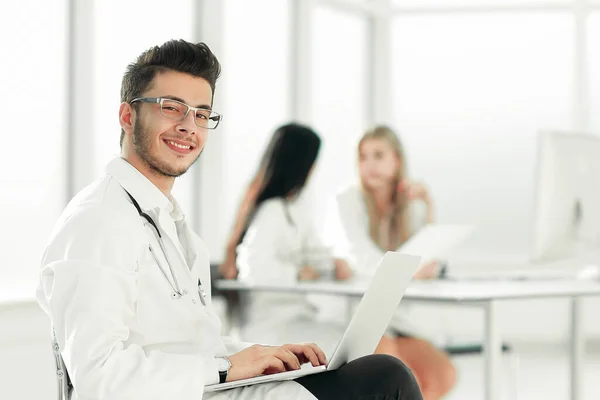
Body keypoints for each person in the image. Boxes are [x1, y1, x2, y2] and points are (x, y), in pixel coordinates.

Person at [36, 40, 423, 400]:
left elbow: (198, 343)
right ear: (127, 116)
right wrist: (225, 367)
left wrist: (263, 355)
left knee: (384, 374)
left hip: (211, 387)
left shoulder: (167, 221)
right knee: (386, 381)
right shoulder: (98, 221)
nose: (189, 126)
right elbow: (97, 373)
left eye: (201, 113)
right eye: (171, 107)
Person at [325, 125, 455, 400]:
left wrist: (428, 204)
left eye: (378, 155)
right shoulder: (347, 200)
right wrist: (412, 271)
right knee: (393, 367)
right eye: (363, 157)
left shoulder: (410, 204)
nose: (369, 164)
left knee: (441, 375)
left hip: (402, 320)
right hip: (360, 316)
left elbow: (432, 257)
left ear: (397, 160)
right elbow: (361, 257)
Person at [234, 123, 352, 356]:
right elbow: (253, 268)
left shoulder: (293, 210)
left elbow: (313, 252)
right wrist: (298, 274)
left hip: (299, 317)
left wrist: (331, 263)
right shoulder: (272, 211)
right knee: (362, 345)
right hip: (273, 327)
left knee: (369, 342)